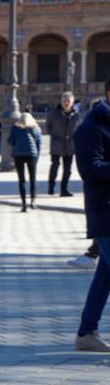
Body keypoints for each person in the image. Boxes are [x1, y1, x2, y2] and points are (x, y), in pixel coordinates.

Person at [72, 97, 110, 351]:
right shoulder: (91, 127)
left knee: (105, 275)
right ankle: (86, 332)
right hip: (105, 211)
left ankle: (86, 332)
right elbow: (89, 169)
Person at [46, 91, 80, 197]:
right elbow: (48, 127)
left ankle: (64, 189)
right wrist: (55, 136)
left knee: (68, 170)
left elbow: (79, 128)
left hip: (70, 146)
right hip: (57, 144)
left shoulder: (76, 115)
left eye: (68, 101)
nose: (66, 103)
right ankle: (51, 187)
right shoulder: (54, 113)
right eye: (64, 101)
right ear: (61, 101)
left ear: (72, 102)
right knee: (54, 167)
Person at [9, 110, 43, 211]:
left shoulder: (15, 128)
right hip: (31, 155)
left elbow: (11, 141)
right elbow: (39, 143)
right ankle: (33, 201)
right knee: (33, 179)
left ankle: (24, 204)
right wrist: (37, 156)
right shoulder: (36, 128)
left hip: (18, 155)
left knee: (21, 180)